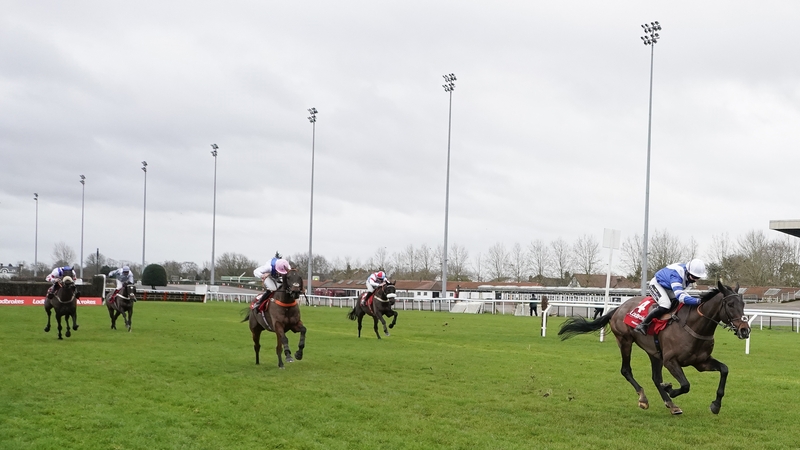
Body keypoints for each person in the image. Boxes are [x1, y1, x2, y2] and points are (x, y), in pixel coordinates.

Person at [635, 258, 708, 335]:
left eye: (698, 277)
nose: (696, 280)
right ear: (688, 272)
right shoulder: (676, 275)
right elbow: (681, 297)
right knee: (665, 305)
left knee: (687, 299)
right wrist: (698, 301)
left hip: (669, 287)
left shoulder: (687, 273)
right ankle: (643, 324)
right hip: (657, 284)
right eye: (694, 277)